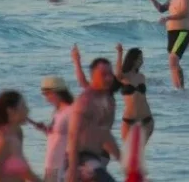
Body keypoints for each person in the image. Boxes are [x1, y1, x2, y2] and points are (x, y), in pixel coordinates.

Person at [65, 54, 119, 182]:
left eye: (110, 75)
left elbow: (105, 133)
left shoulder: (109, 101)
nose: (108, 78)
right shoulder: (89, 99)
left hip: (99, 154)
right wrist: (77, 61)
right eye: (104, 75)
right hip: (86, 156)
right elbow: (73, 136)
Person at [0, 90, 39, 182]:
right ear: (10, 111)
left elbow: (27, 174)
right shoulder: (1, 140)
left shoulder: (17, 133)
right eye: (23, 106)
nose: (28, 110)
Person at [149, 0, 189, 89]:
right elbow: (161, 9)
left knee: (173, 60)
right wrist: (153, 0)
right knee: (174, 62)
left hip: (182, 32)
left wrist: (168, 18)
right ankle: (179, 88)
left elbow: (184, 13)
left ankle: (179, 88)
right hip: (171, 33)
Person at [33, 76, 73, 182]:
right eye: (44, 94)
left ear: (58, 92)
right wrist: (44, 129)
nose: (46, 98)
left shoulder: (70, 111)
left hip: (63, 162)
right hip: (51, 161)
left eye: (47, 94)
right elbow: (57, 135)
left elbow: (77, 136)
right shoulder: (57, 111)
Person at [113, 45, 153, 142]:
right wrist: (120, 53)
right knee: (128, 152)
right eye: (140, 59)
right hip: (129, 120)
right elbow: (117, 74)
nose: (142, 61)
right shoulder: (124, 77)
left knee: (140, 153)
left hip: (146, 119)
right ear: (134, 60)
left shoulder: (141, 77)